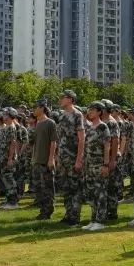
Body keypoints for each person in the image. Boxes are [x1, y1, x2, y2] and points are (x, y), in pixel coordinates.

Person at [56, 90, 86, 226]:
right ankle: (68, 214)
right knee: (66, 187)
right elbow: (59, 138)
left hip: (73, 157)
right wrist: (57, 156)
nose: (60, 99)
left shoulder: (77, 115)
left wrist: (79, 159)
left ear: (70, 99)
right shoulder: (62, 116)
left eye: (63, 97)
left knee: (75, 187)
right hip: (63, 158)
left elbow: (81, 139)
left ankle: (75, 216)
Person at [82, 102, 111, 231]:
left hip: (99, 164)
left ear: (99, 112)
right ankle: (93, 219)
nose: (90, 112)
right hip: (89, 165)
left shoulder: (103, 127)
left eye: (93, 110)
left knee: (100, 193)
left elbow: (107, 146)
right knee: (91, 193)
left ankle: (100, 220)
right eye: (89, 109)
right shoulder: (88, 127)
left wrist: (106, 164)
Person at [29, 100, 57, 220]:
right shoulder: (37, 124)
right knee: (39, 188)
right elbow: (32, 142)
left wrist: (51, 159)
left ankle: (47, 211)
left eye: (35, 107)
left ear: (42, 108)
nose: (33, 110)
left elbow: (53, 142)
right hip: (36, 160)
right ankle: (42, 211)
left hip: (45, 161)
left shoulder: (50, 123)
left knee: (47, 188)